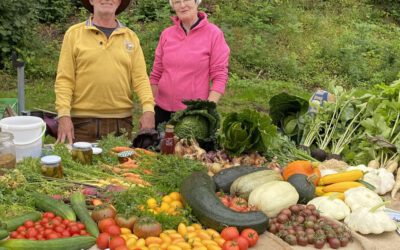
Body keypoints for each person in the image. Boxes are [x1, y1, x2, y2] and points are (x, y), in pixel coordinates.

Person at [55, 0, 155, 144]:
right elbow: (65, 79)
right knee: (80, 166)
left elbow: (140, 79)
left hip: (121, 124)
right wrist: (63, 115)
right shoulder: (74, 34)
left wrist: (148, 110)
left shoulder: (130, 37)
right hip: (82, 124)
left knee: (121, 167)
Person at [150, 0, 230, 127]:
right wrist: (150, 107)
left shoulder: (214, 34)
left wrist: (208, 109)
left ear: (196, 2)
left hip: (193, 114)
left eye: (186, 0)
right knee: (160, 147)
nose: (182, 5)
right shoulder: (167, 34)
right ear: (173, 6)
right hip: (161, 110)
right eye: (177, 2)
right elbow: (156, 74)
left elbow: (220, 76)